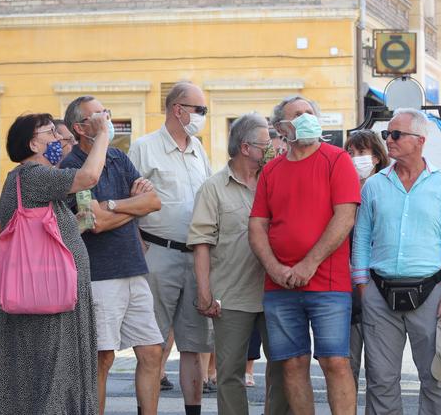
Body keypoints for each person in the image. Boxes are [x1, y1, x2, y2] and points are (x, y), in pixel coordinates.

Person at [0, 112, 109, 414]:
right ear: (33, 144)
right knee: (53, 374)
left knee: (39, 375)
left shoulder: (25, 180)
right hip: (50, 300)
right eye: (50, 133)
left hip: (47, 294)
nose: (59, 139)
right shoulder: (33, 176)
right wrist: (104, 133)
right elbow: (89, 177)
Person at [352, 108, 441, 415]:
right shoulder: (375, 185)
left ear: (419, 140)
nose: (388, 140)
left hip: (430, 292)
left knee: (434, 376)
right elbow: (362, 238)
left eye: (396, 134)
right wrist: (362, 284)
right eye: (386, 134)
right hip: (379, 290)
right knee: (380, 379)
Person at [249, 96, 361, 415]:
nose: (307, 118)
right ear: (281, 127)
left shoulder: (337, 159)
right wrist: (274, 268)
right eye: (298, 114)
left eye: (310, 113)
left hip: (328, 282)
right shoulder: (271, 171)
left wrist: (308, 264)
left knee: (335, 361)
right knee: (292, 363)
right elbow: (257, 225)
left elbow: (345, 216)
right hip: (280, 286)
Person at [60, 97, 165, 415]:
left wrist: (114, 205)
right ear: (80, 128)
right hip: (99, 276)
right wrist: (130, 207)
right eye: (98, 115)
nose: (107, 118)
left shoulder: (118, 157)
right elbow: (94, 222)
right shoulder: (73, 168)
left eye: (106, 112)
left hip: (134, 269)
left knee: (152, 352)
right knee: (101, 359)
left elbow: (154, 202)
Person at [189, 113, 289, 415]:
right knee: (229, 374)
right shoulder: (213, 188)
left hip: (276, 292)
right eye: (266, 144)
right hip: (231, 297)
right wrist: (204, 292)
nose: (272, 149)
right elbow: (201, 243)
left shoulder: (276, 182)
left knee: (283, 368)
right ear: (245, 148)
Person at [129, 81, 213, 414]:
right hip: (157, 253)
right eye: (200, 110)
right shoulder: (144, 148)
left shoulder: (199, 150)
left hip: (195, 256)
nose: (203, 116)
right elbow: (128, 202)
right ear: (178, 109)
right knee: (152, 346)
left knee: (194, 346)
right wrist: (138, 246)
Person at [343, 129, 390, 389]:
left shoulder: (387, 189)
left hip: (379, 285)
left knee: (380, 368)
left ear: (375, 157)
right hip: (346, 289)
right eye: (350, 153)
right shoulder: (340, 188)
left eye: (361, 152)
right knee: (346, 365)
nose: (355, 158)